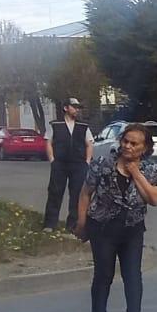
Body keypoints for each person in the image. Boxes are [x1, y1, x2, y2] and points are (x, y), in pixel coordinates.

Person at [76, 123, 157, 312]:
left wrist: (136, 173)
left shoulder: (150, 169)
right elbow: (86, 193)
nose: (128, 146)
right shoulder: (103, 164)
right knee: (104, 275)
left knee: (133, 276)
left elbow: (155, 199)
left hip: (132, 230)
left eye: (134, 143)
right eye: (125, 141)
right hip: (103, 228)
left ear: (144, 148)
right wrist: (81, 222)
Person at [44, 97, 94, 232]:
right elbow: (48, 141)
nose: (77, 109)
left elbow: (89, 143)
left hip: (78, 164)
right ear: (66, 108)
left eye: (78, 107)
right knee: (55, 192)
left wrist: (87, 162)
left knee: (77, 194)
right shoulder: (55, 124)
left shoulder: (83, 126)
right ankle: (50, 224)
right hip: (59, 164)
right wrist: (52, 160)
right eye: (74, 107)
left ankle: (72, 225)